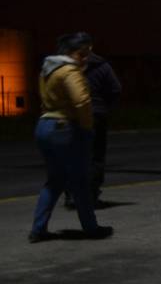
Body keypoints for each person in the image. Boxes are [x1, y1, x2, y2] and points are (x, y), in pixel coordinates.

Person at [29, 33, 114, 243]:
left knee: (54, 181)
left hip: (44, 125)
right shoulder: (70, 71)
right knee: (81, 181)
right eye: (81, 54)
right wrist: (87, 128)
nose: (85, 59)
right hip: (66, 128)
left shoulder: (47, 70)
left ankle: (38, 229)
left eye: (87, 55)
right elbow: (82, 101)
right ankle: (91, 228)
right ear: (68, 53)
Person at [64, 33, 121, 208]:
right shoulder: (102, 66)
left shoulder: (65, 66)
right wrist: (104, 107)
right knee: (95, 157)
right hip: (96, 115)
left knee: (73, 156)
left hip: (72, 116)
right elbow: (115, 89)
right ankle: (90, 195)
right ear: (90, 47)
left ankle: (71, 195)